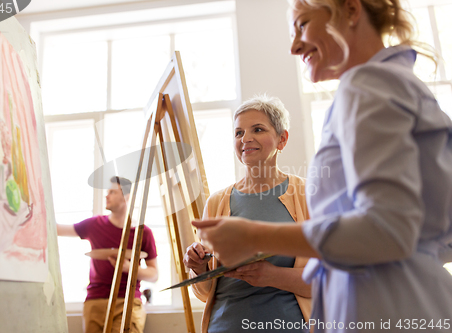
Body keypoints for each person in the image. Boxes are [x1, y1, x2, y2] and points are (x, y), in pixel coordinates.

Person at [193, 0, 452, 332]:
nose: (294, 45)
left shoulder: (367, 87)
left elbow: (387, 229)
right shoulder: (394, 84)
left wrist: (253, 235)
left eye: (302, 25)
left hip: (385, 307)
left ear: (351, 10)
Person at [184, 95, 312, 333]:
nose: (246, 138)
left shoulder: (307, 194)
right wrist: (199, 268)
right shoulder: (217, 202)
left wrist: (271, 276)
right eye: (238, 132)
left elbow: (330, 283)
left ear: (282, 139)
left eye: (258, 129)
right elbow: (205, 292)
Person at [57, 177, 158, 333]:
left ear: (126, 196)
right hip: (95, 301)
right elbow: (57, 229)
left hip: (127, 301)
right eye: (107, 192)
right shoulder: (94, 225)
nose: (106, 195)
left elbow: (154, 275)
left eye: (112, 192)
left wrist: (129, 268)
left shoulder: (143, 232)